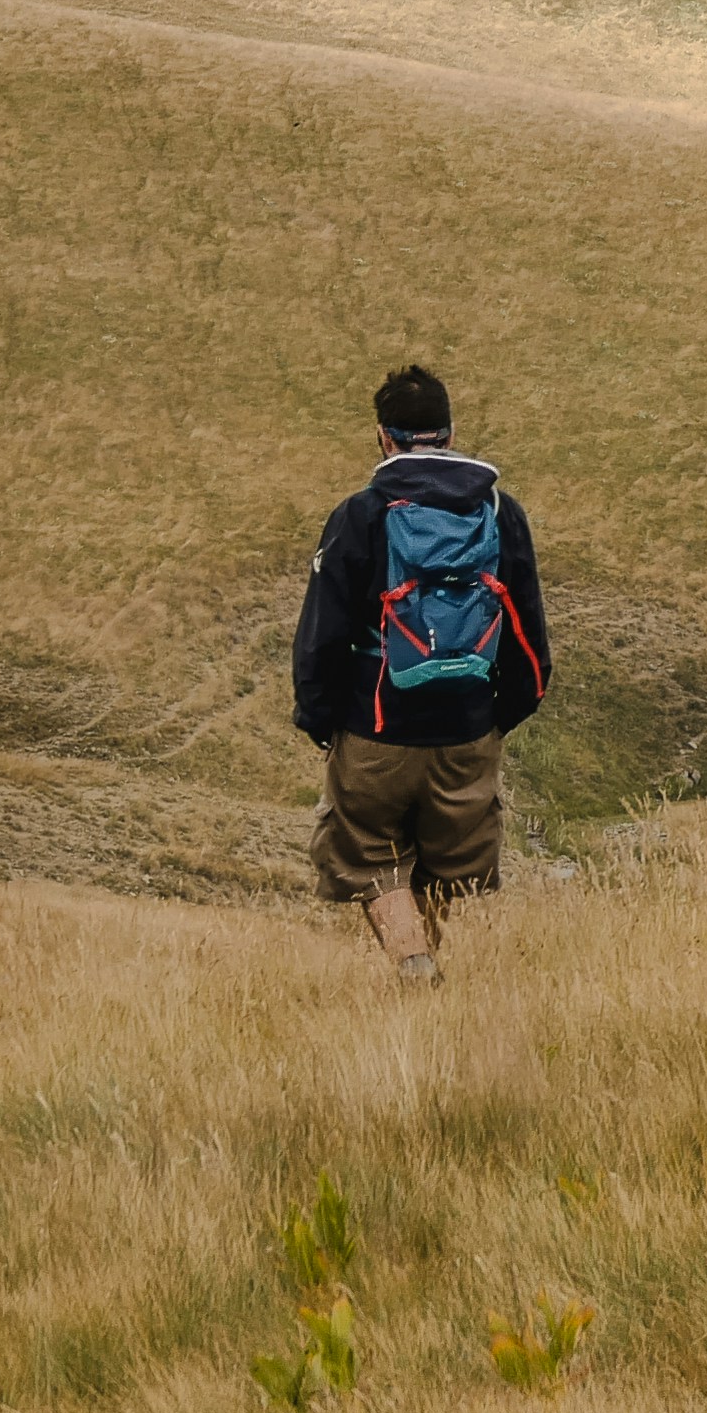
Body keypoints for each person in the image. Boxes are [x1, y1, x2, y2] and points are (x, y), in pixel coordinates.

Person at [292, 363, 551, 973]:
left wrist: (321, 719)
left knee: (367, 857)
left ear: (384, 437)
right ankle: (424, 972)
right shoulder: (499, 513)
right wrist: (494, 719)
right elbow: (528, 635)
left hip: (375, 727)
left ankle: (412, 965)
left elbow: (322, 633)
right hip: (467, 729)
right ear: (450, 432)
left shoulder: (361, 515)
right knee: (447, 863)